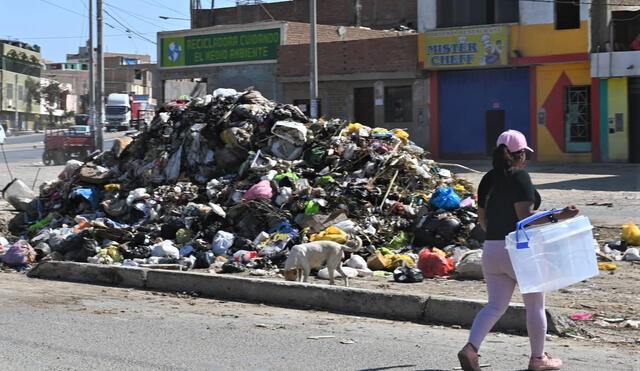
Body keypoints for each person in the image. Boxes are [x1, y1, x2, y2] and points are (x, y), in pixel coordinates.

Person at [457, 129, 579, 371]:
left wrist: (498, 235)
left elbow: (483, 220)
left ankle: (470, 349)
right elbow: (525, 217)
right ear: (520, 154)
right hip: (519, 251)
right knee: (535, 306)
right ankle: (538, 358)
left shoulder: (487, 179)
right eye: (525, 154)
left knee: (494, 306)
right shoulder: (520, 177)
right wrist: (560, 216)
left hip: (491, 250)